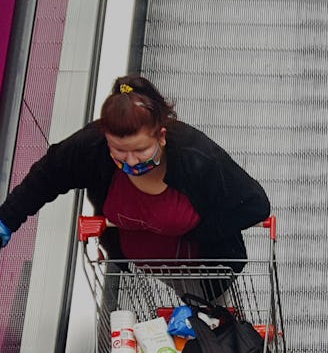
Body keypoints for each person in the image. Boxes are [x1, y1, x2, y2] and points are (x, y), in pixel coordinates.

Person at [0, 74, 269, 294]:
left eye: (140, 150)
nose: (130, 161)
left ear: (161, 136)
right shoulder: (92, 148)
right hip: (147, 268)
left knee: (213, 334)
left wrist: (195, 231)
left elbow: (255, 205)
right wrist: (7, 219)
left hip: (203, 270)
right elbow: (48, 176)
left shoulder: (195, 157)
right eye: (118, 150)